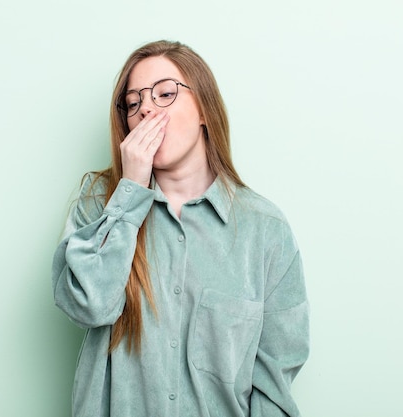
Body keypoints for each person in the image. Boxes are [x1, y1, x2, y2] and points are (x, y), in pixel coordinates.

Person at [52, 40, 309, 417]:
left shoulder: (265, 231)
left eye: (165, 94)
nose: (147, 111)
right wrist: (132, 191)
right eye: (134, 103)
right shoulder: (100, 203)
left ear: (204, 108)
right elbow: (89, 306)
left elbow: (273, 385)